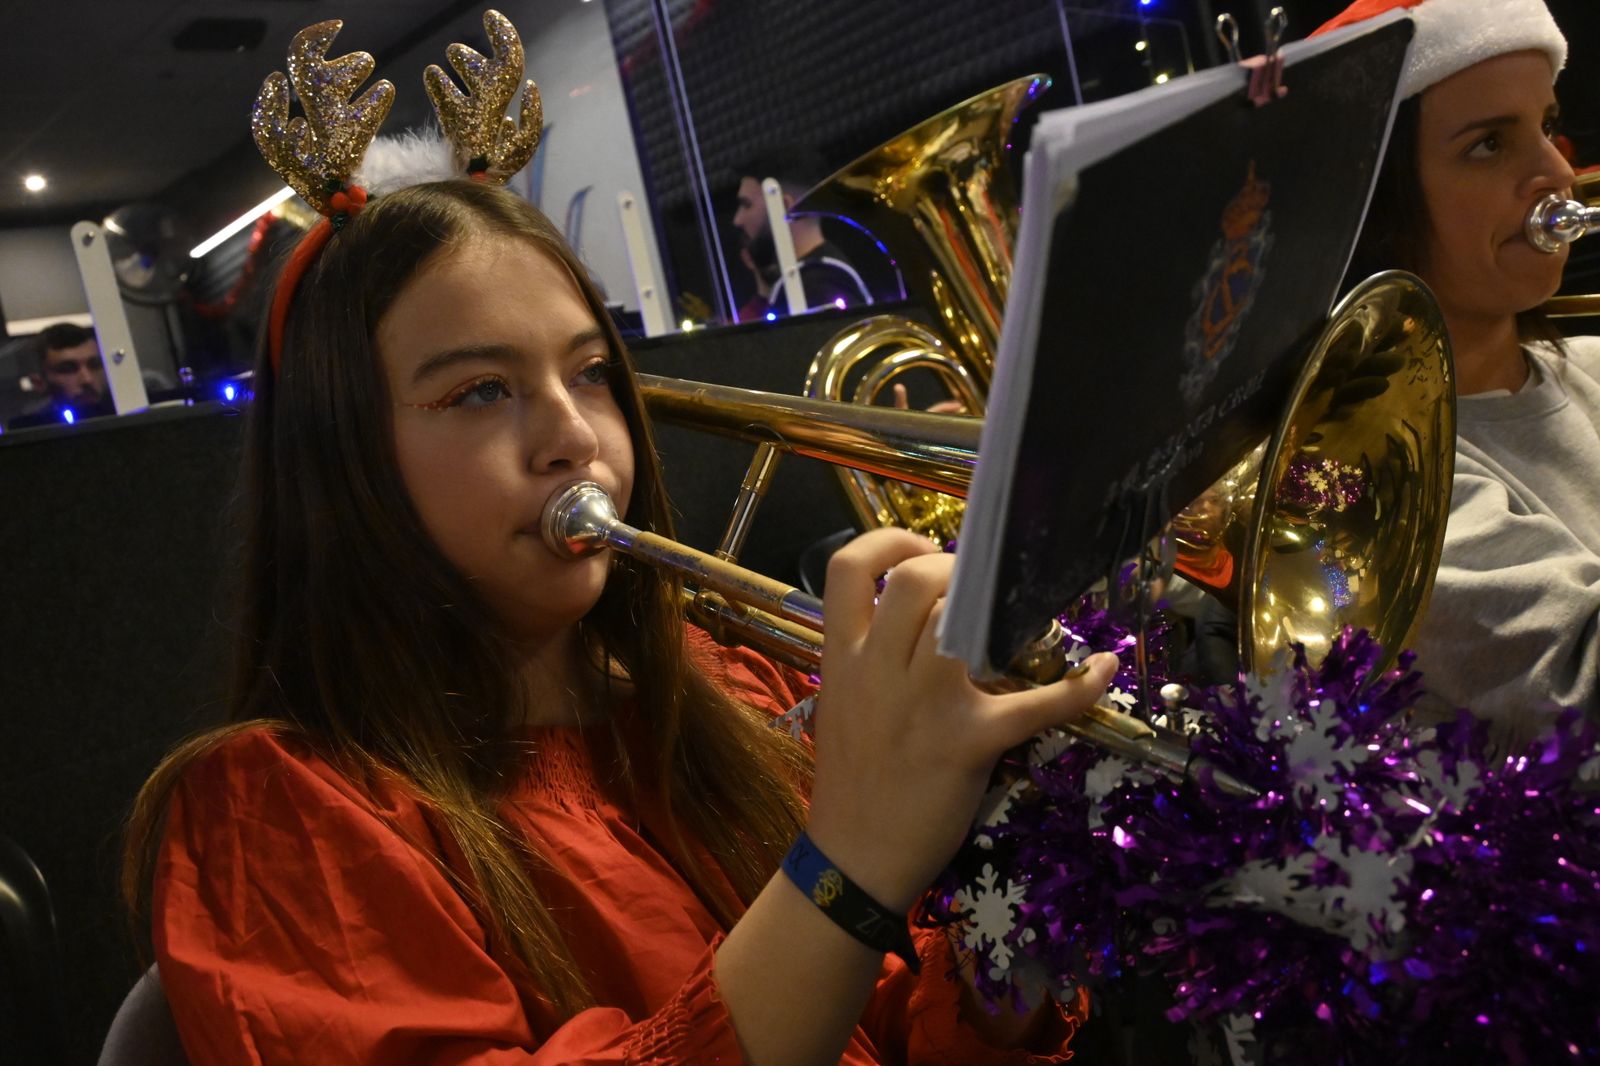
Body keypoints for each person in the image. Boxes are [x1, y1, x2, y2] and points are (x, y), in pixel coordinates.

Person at [117, 24, 1118, 1059]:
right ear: (346, 462)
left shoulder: (734, 685)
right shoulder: (278, 810)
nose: (572, 436)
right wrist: (852, 858)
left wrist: (1022, 859)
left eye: (590, 372)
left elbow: (915, 1034)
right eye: (480, 391)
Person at [1317, 0, 1598, 736]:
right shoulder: (1378, 480)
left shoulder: (1591, 366)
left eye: (1545, 124)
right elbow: (1580, 687)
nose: (1557, 173)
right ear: (1377, 207)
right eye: (1488, 146)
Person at [731, 147, 880, 321]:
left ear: (784, 206)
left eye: (747, 205)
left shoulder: (817, 287)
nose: (737, 220)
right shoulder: (818, 279)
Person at [7, 322, 114, 430]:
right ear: (39, 382)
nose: (87, 379)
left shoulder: (124, 413)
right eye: (68, 369)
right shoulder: (28, 431)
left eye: (94, 365)